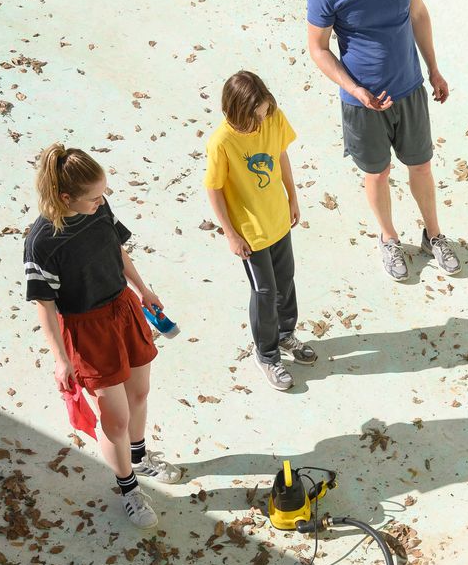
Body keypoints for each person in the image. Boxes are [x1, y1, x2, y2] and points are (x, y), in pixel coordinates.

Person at [25, 144, 181, 529]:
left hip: (124, 310)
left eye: (103, 193)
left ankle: (141, 458)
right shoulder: (41, 242)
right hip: (87, 328)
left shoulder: (100, 209)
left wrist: (142, 288)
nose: (102, 201)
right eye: (94, 197)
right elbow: (44, 305)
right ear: (66, 198)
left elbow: (118, 250)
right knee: (114, 420)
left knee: (140, 394)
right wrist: (61, 359)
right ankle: (129, 490)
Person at [306, 0, 460, 280]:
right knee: (377, 173)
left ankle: (433, 235)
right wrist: (355, 89)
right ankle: (389, 239)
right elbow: (318, 49)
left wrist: (434, 68)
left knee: (421, 165)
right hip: (363, 103)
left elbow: (418, 13)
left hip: (409, 88)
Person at [205, 70, 317, 392]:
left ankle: (284, 335)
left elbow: (281, 154)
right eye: (255, 117)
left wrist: (293, 197)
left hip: (277, 219)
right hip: (249, 231)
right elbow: (213, 188)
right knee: (264, 291)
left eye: (264, 114)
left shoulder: (272, 117)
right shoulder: (222, 142)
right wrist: (230, 233)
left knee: (286, 279)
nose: (261, 122)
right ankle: (266, 354)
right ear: (236, 112)